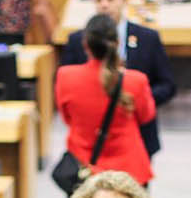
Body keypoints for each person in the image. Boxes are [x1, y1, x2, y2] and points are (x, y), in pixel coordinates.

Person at [61, 0, 175, 154]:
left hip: (138, 134)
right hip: (90, 140)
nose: (104, 4)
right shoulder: (77, 40)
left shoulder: (147, 38)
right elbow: (64, 89)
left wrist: (137, 100)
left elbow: (167, 84)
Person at [56, 16, 159, 186]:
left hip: (84, 167)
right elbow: (146, 116)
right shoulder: (136, 81)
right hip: (128, 170)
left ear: (85, 45)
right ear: (118, 43)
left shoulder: (65, 76)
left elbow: (67, 118)